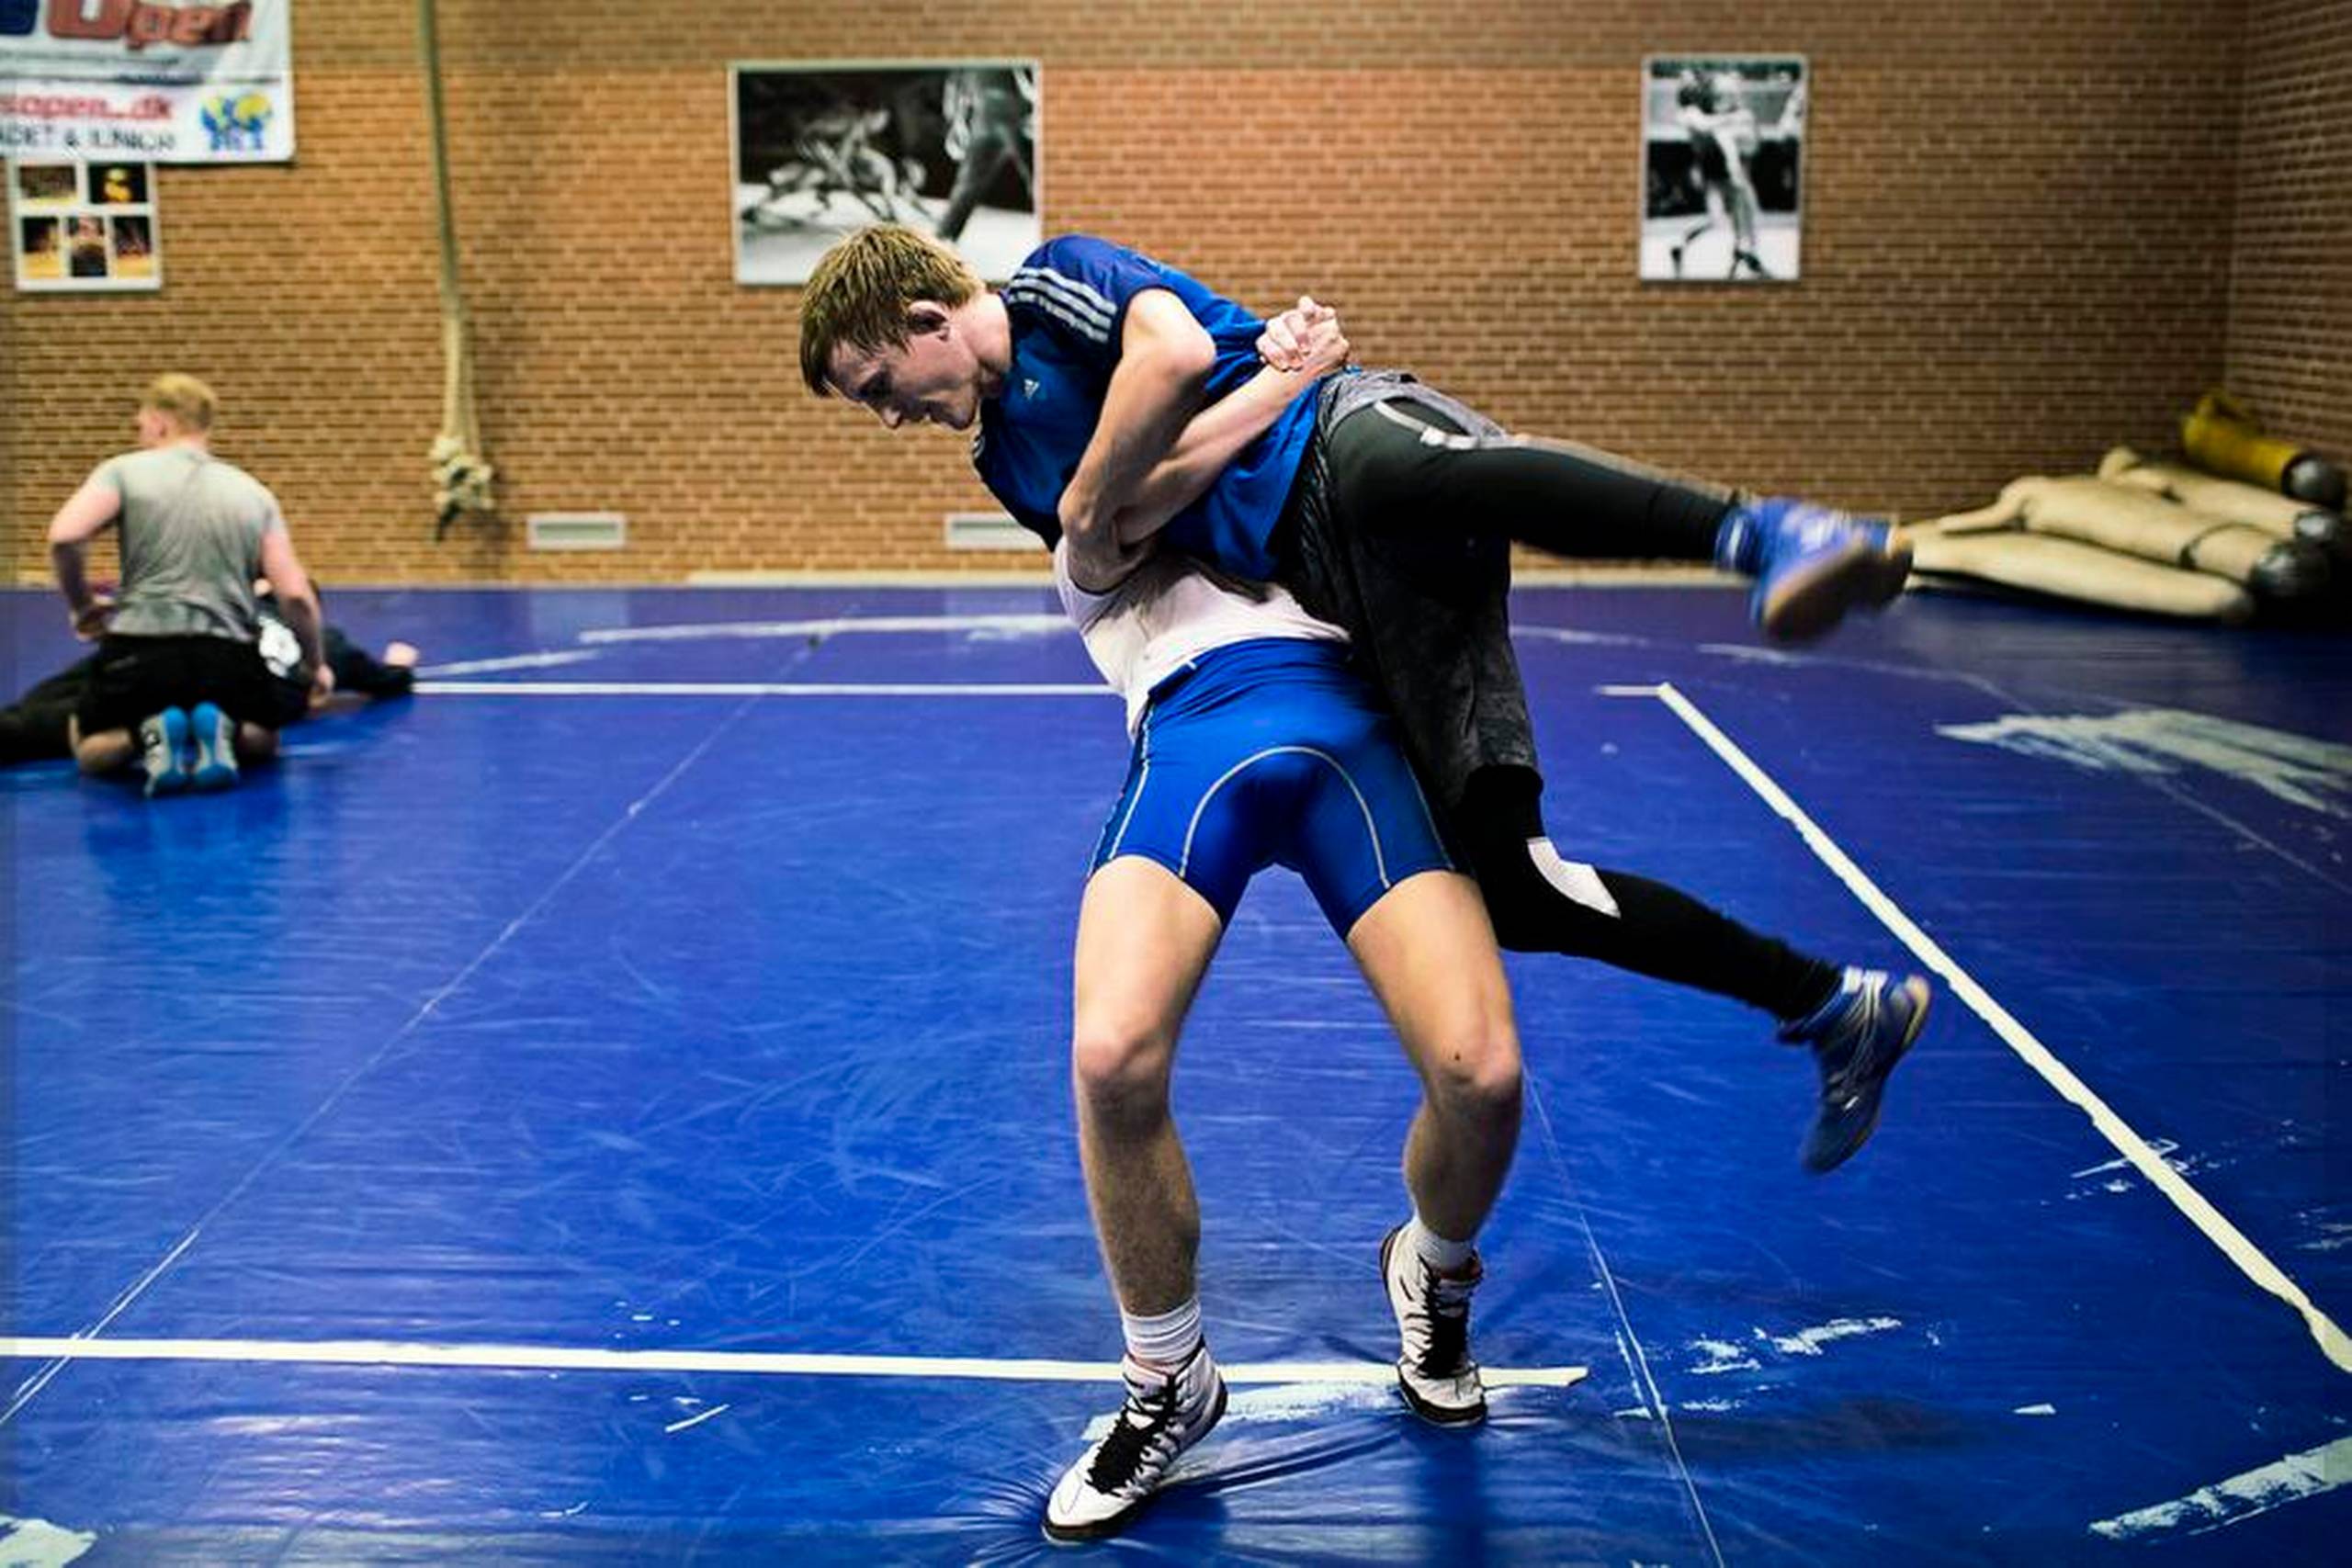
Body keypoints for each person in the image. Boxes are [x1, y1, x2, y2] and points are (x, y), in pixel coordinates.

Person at [797, 225, 1929, 1176]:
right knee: (1519, 894)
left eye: (880, 389)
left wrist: (1237, 414)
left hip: (1339, 435)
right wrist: (1227, 410)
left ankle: (1765, 529)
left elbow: (1171, 353)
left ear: (923, 317)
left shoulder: (1052, 282)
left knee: (1406, 478)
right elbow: (1115, 522)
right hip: (1332, 576)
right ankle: (1835, 1004)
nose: (891, 418)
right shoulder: (1002, 461)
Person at [1037, 306, 1526, 1539]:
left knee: (1482, 1073)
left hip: (1354, 745)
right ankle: (1167, 1377)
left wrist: (1293, 370)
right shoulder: (1087, 535)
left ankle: (1433, 1264)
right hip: (1198, 748)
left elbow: (1292, 440)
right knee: (1110, 1053)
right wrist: (1270, 371)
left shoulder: (1287, 496)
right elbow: (1120, 499)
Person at [48, 373, 330, 795]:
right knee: (264, 739)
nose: (140, 435)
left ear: (161, 422)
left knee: (87, 746)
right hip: (226, 655)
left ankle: (146, 734)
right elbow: (294, 596)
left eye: (141, 425)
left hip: (140, 648)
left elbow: (65, 536)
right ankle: (223, 734)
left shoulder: (122, 472)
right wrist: (315, 663)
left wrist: (82, 606)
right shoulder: (253, 493)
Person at [0, 585, 415, 768]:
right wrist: (399, 664)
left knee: (69, 705)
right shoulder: (328, 641)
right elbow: (382, 681)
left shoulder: (229, 604)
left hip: (168, 659)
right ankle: (214, 733)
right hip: (243, 695)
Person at [1668, 70, 1770, 280]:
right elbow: (1708, 126)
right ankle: (1681, 244)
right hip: (1711, 171)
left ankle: (1745, 258)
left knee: (1742, 216)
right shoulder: (1688, 113)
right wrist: (1736, 117)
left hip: (1718, 168)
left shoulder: (1703, 110)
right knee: (1719, 220)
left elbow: (1722, 135)